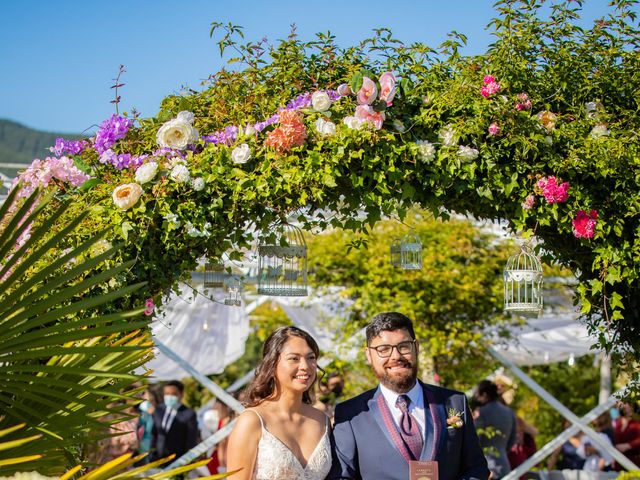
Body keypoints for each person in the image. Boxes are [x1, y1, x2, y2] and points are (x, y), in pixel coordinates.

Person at [328, 312, 489, 480]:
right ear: (369, 355)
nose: (396, 356)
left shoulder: (455, 402)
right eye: (383, 349)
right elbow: (342, 476)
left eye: (404, 346)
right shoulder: (350, 414)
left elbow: (476, 468)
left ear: (416, 347)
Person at [226, 326, 331, 479]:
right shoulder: (252, 421)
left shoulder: (323, 421)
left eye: (311, 357)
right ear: (272, 364)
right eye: (294, 358)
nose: (305, 366)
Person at [473, 380, 518, 479]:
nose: (476, 397)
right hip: (504, 464)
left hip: (486, 466)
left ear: (484, 394)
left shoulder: (481, 412)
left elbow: (475, 440)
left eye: (477, 394)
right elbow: (513, 440)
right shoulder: (509, 412)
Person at [149, 380, 199, 464]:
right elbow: (154, 434)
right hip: (157, 459)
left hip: (177, 461)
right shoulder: (159, 409)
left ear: (181, 394)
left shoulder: (189, 414)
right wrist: (151, 453)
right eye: (167, 394)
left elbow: (191, 440)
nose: (169, 397)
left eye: (173, 394)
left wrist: (186, 461)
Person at [613, 402, 640, 470]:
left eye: (629, 406)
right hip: (618, 460)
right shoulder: (617, 423)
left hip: (633, 460)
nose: (626, 408)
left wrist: (629, 445)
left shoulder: (637, 423)